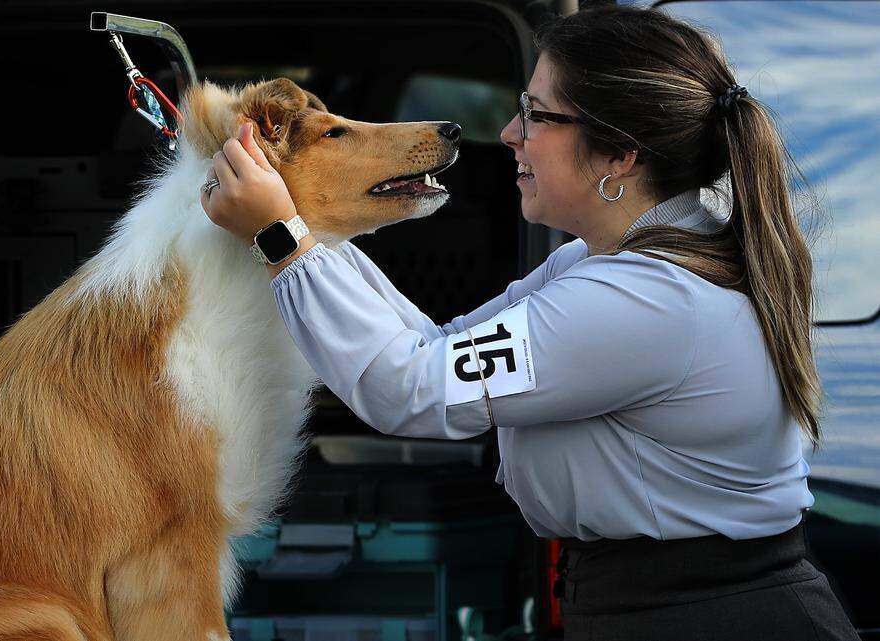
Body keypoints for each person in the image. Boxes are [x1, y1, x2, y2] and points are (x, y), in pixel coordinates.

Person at [200, 5, 860, 640]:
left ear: (619, 155)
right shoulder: (607, 264)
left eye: (536, 115)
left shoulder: (643, 302)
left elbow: (413, 388)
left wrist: (282, 238)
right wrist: (301, 225)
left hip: (702, 616)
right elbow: (437, 346)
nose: (510, 136)